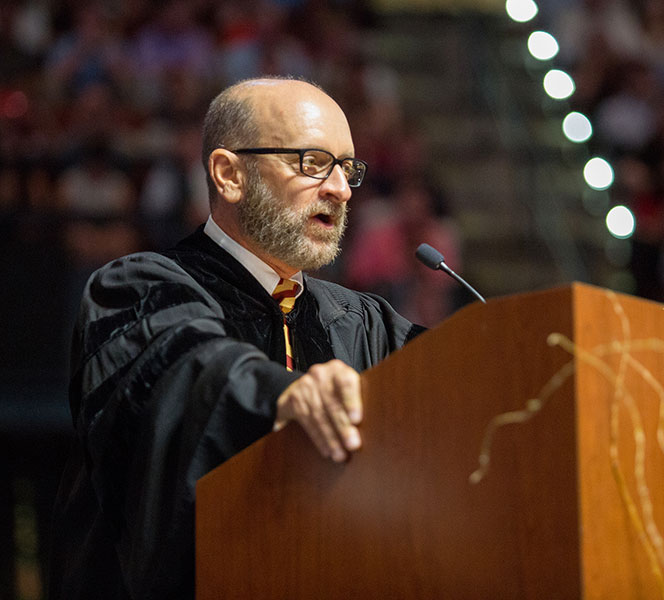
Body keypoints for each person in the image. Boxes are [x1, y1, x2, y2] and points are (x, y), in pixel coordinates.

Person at [48, 77, 424, 600]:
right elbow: (184, 366)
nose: (339, 188)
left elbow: (450, 387)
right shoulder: (137, 288)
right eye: (314, 162)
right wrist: (281, 395)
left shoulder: (366, 324)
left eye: (347, 168)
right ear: (229, 174)